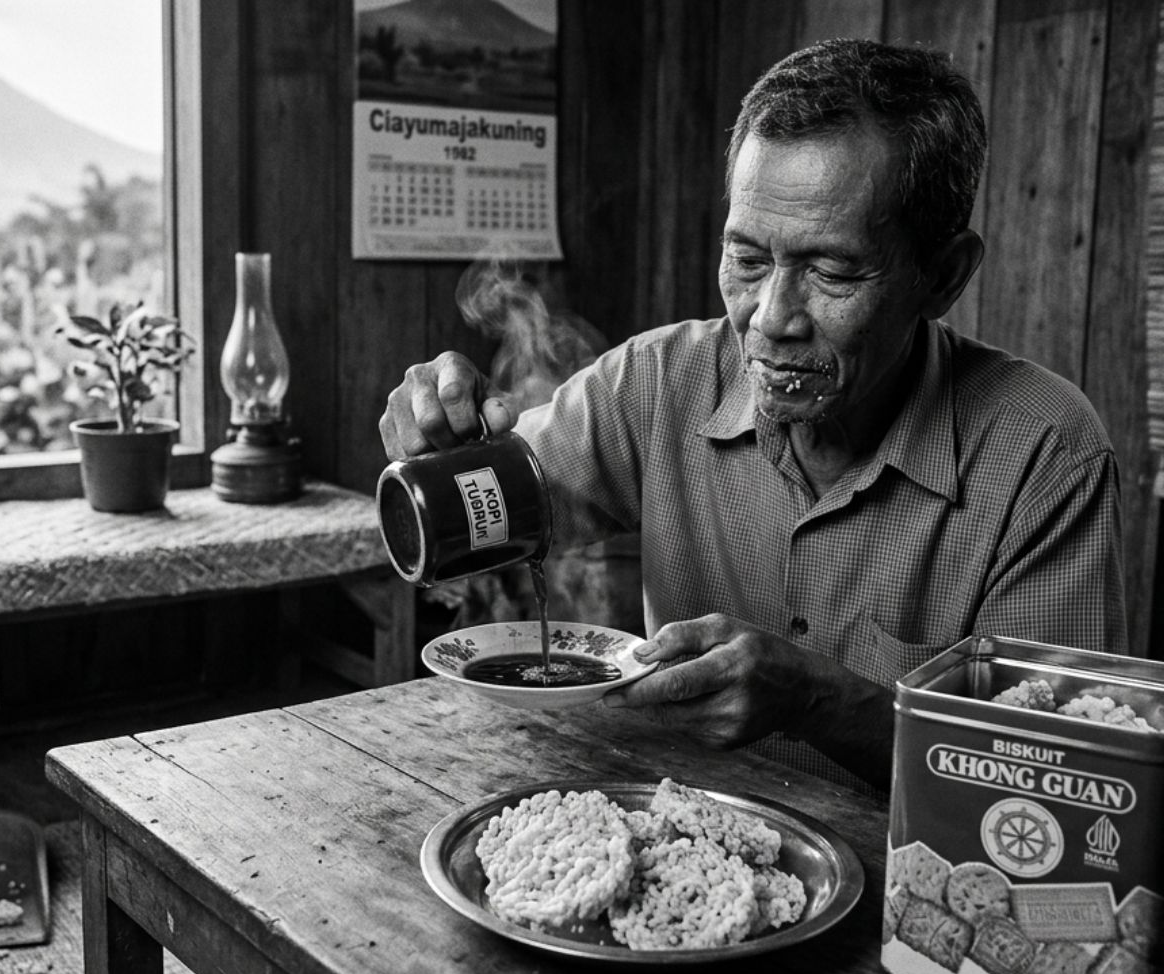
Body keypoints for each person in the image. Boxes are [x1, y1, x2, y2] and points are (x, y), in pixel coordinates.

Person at [379, 39, 1126, 791]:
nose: (770, 319)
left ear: (944, 275)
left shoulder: (1044, 454)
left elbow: (1051, 785)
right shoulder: (658, 381)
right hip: (679, 850)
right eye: (747, 259)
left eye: (832, 271)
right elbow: (490, 508)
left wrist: (821, 702)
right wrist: (441, 446)